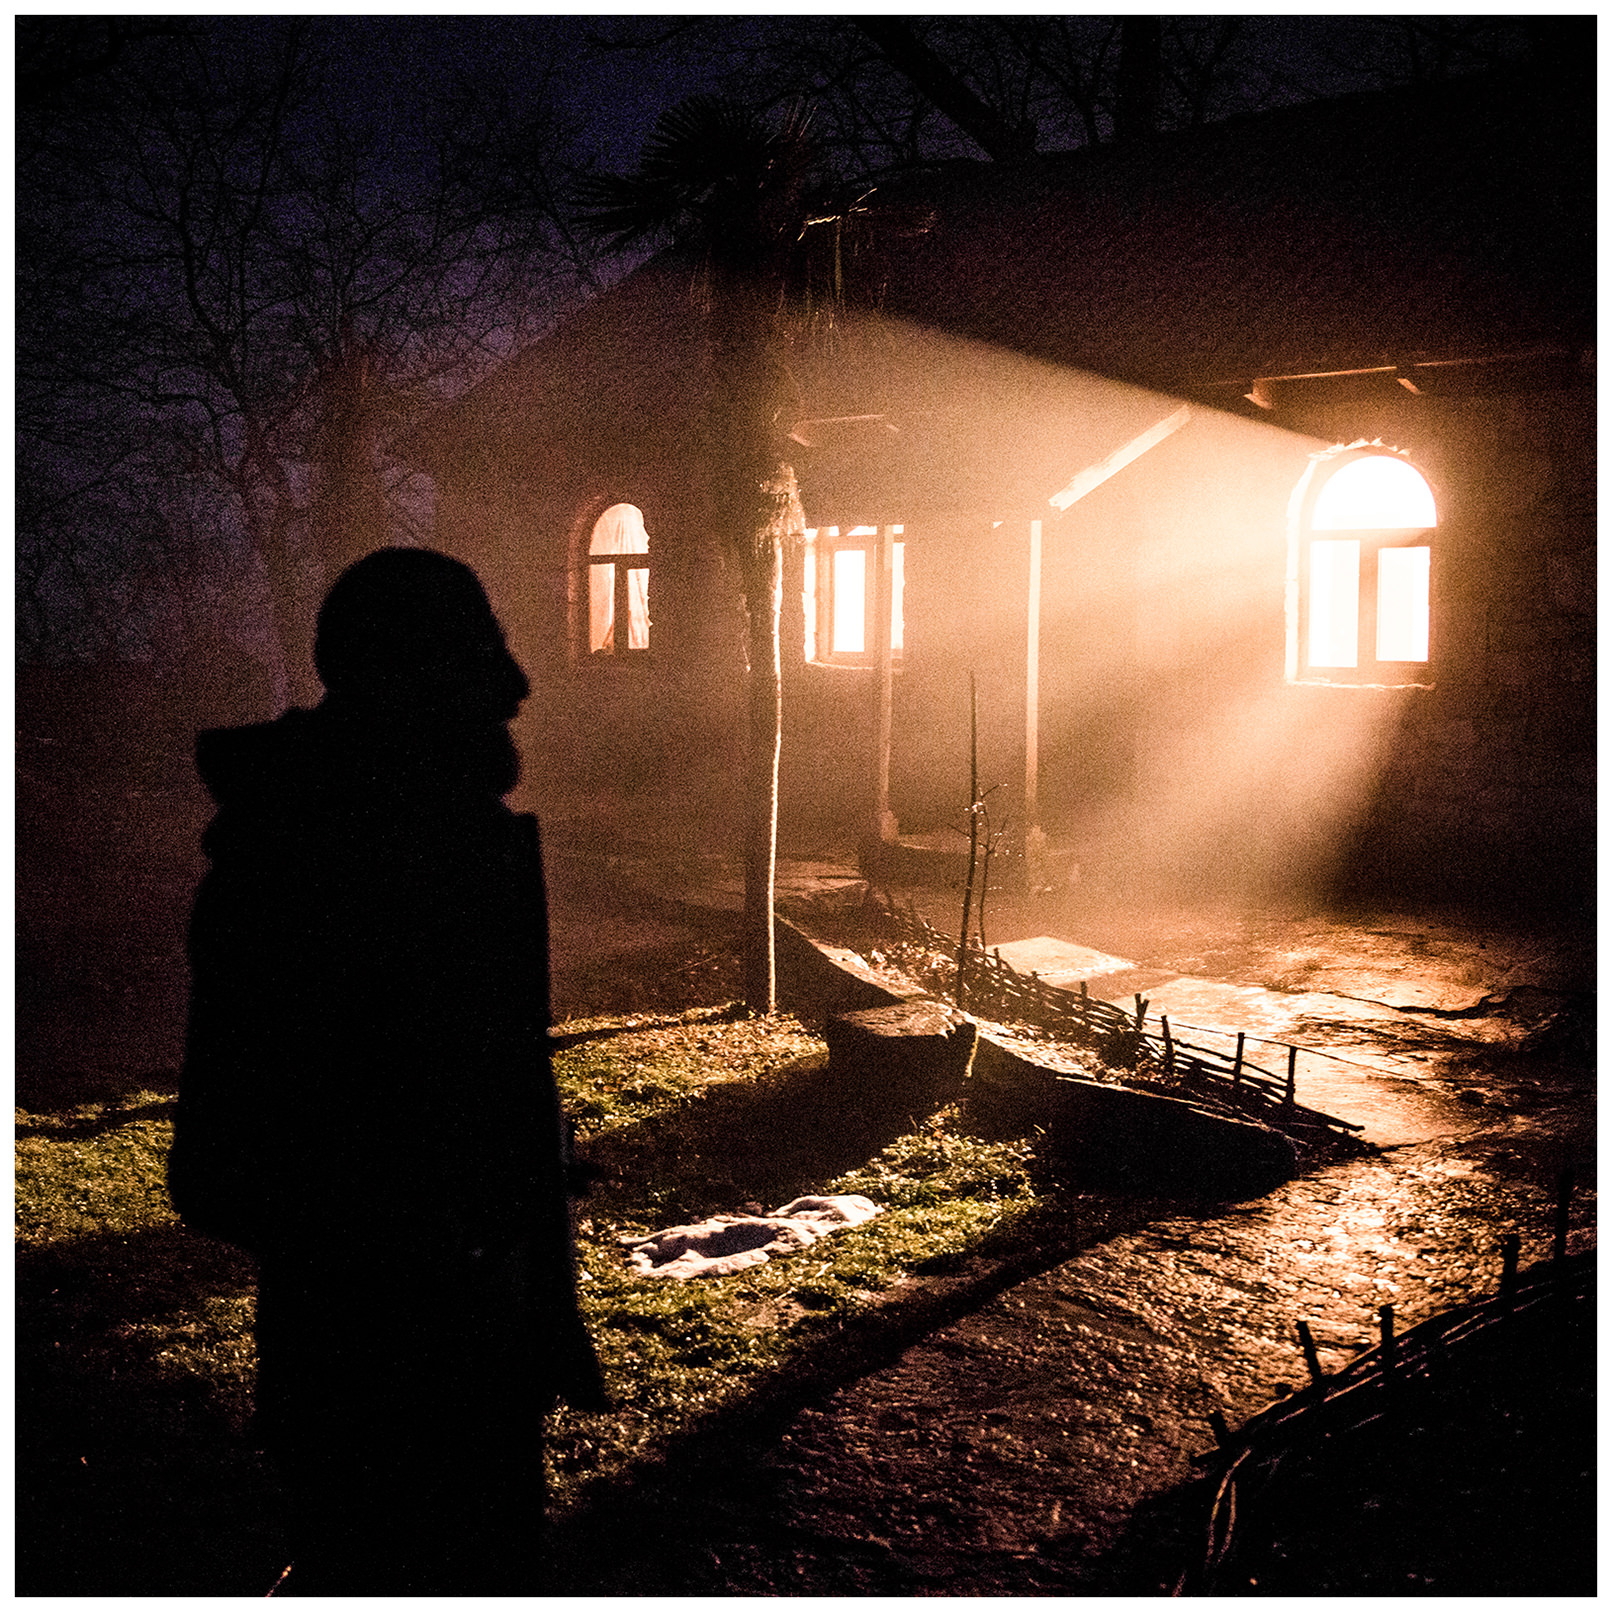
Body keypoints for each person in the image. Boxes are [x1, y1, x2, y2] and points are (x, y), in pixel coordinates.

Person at [169, 548, 604, 1596]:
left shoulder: (433, 840)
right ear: (411, 680)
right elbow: (231, 1151)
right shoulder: (315, 860)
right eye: (472, 661)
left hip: (448, 1332)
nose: (509, 694)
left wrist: (515, 1178)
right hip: (383, 1349)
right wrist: (413, 1235)